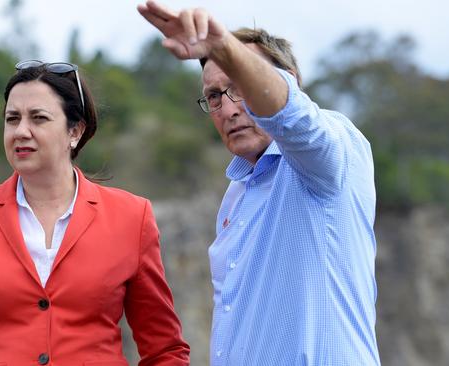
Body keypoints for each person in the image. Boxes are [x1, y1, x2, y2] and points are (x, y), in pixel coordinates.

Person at [138, 1, 381, 365]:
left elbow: (294, 118)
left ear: (291, 82)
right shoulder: (235, 196)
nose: (229, 108)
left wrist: (222, 46)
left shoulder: (331, 150)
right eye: (214, 96)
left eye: (239, 88)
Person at [0, 60, 190, 365]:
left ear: (75, 131)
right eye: (12, 119)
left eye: (38, 118)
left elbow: (165, 350)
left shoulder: (132, 218)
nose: (21, 131)